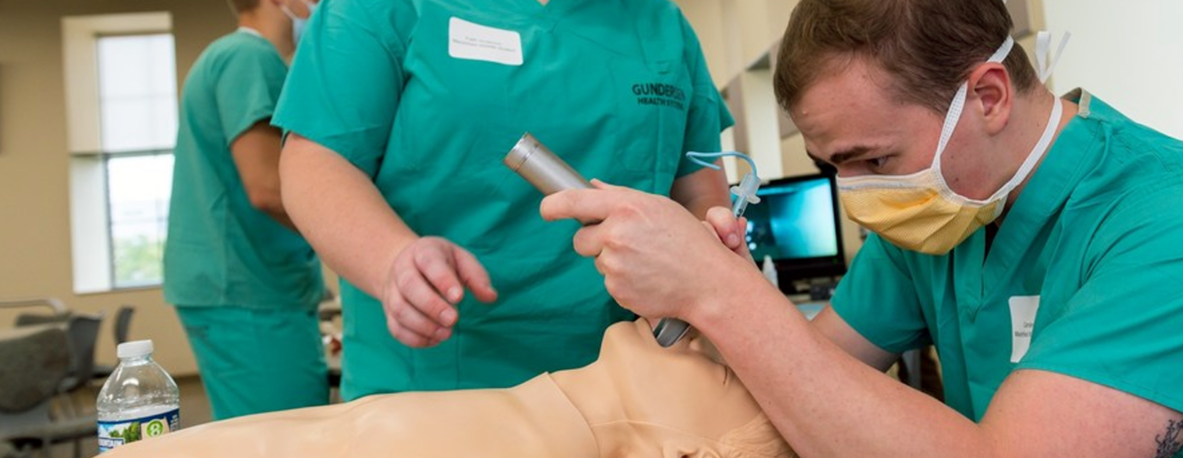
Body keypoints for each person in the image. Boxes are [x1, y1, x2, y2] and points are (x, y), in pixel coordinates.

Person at [539, 0, 1183, 457]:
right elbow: (806, 377)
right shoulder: (947, 217)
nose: (860, 196)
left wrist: (722, 298)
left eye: (874, 161)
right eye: (835, 167)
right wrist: (703, 290)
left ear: (986, 96)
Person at [272, 0, 733, 400]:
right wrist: (391, 259)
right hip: (439, 389)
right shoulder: (382, 9)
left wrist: (713, 248)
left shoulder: (661, 25)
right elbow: (315, 163)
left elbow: (698, 189)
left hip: (635, 385)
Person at [103, 319, 797, 458]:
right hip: (523, 403)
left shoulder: (746, 431)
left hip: (543, 434)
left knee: (353, 438)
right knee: (353, 428)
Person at [163, 0, 327, 420]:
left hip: (236, 283)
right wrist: (360, 241)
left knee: (253, 431)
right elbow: (268, 188)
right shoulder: (248, 57)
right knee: (289, 436)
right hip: (248, 287)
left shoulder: (224, 57)